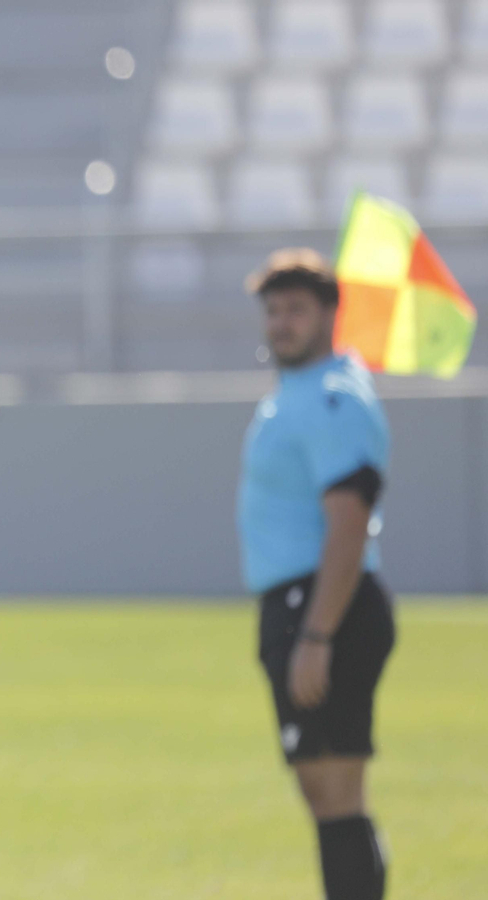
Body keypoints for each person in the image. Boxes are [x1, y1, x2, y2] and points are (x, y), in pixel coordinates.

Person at [239, 249, 395, 900]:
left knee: (335, 792)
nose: (282, 323)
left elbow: (350, 521)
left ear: (331, 314)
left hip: (323, 605)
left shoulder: (333, 397)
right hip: (299, 604)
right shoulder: (298, 394)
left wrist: (316, 634)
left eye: (296, 310)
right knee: (326, 792)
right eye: (273, 310)